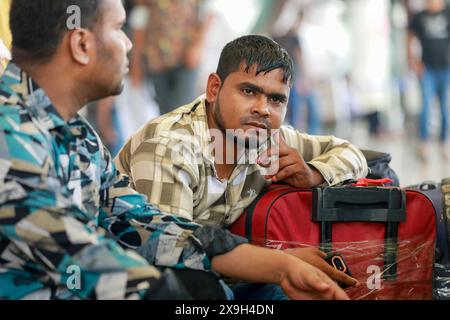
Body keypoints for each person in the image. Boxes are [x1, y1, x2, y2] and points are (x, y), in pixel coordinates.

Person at [0, 0, 351, 300]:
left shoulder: (78, 136)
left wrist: (282, 266)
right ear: (81, 44)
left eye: (275, 99)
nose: (128, 45)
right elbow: (81, 258)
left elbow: (146, 225)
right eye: (120, 29)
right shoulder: (10, 133)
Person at [115, 35, 368, 299]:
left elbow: (352, 154)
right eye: (248, 91)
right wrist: (280, 263)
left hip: (219, 273)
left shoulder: (268, 139)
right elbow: (172, 255)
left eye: (276, 100)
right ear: (214, 88)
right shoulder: (170, 146)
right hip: (138, 282)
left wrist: (312, 174)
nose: (263, 109)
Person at [129, 0, 213, 115]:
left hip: (186, 61)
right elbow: (140, 19)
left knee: (185, 110)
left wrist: (197, 45)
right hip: (157, 62)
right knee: (164, 113)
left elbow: (209, 11)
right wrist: (136, 61)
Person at [408, 0, 450, 160]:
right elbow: (409, 38)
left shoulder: (448, 12)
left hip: (445, 69)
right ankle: (424, 144)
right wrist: (413, 61)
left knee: (445, 107)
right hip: (427, 70)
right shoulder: (419, 17)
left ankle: (443, 144)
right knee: (425, 106)